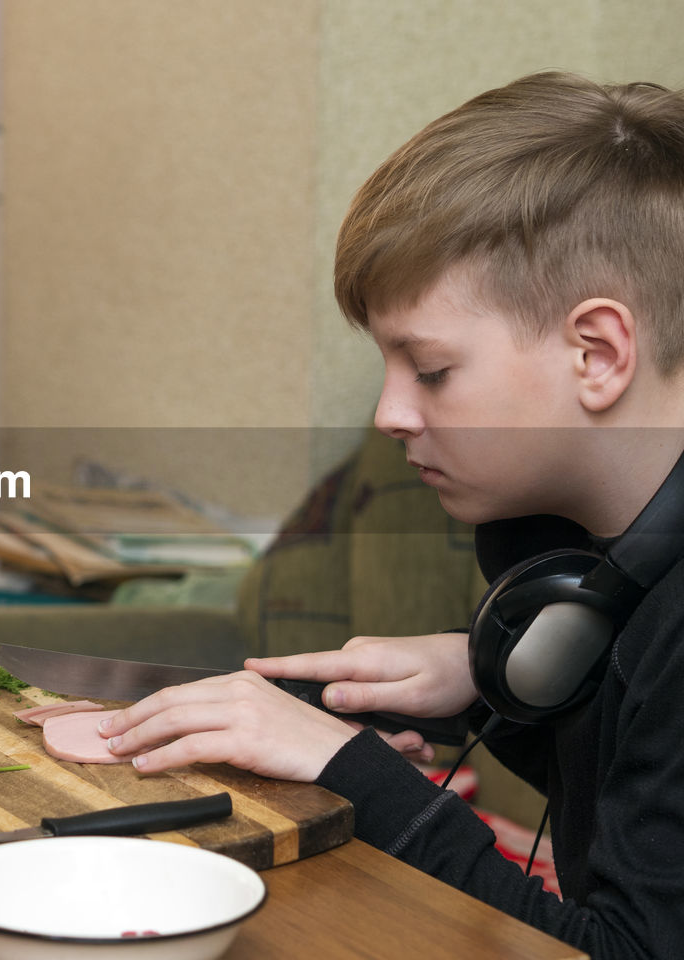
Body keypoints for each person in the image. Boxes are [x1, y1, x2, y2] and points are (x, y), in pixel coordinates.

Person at [101, 72, 684, 957]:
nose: (389, 414)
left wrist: (354, 775)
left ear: (597, 353)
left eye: (432, 369)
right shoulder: (580, 565)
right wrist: (484, 673)